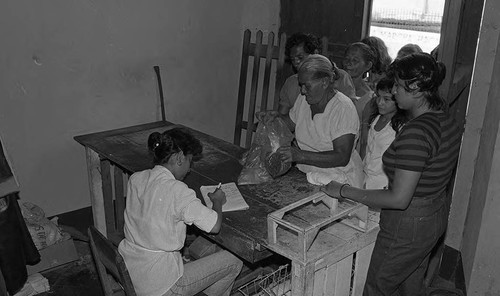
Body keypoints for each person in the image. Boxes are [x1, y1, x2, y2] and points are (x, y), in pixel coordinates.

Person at [321, 53, 461, 295]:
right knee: (410, 285)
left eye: (397, 85)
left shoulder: (416, 133)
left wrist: (343, 190)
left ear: (415, 88)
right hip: (433, 215)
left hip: (408, 223)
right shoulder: (445, 119)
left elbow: (399, 199)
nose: (394, 91)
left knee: (378, 287)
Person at [118, 127, 243, 296]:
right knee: (234, 260)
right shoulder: (177, 190)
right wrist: (217, 201)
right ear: (179, 158)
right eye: (189, 161)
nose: (190, 168)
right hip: (162, 285)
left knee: (204, 249)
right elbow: (214, 226)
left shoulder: (136, 178)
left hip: (134, 271)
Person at [260, 54, 363, 188]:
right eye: (301, 85)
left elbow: (342, 157)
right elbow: (291, 123)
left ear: (325, 82)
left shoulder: (343, 108)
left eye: (307, 86)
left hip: (340, 182)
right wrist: (275, 119)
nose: (302, 91)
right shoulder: (304, 101)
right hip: (309, 176)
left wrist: (300, 156)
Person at [278, 32, 356, 116]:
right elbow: (283, 117)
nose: (296, 63)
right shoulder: (291, 83)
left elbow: (350, 112)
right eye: (293, 59)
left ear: (315, 54)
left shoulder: (341, 78)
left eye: (300, 57)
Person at [362, 76, 406, 189]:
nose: (380, 103)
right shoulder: (376, 119)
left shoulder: (400, 128)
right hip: (366, 178)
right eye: (378, 97)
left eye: (387, 99)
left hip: (383, 184)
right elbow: (367, 149)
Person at [342, 42, 376, 122]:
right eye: (346, 59)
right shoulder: (333, 85)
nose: (349, 63)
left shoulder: (368, 98)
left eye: (355, 60)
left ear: (368, 66)